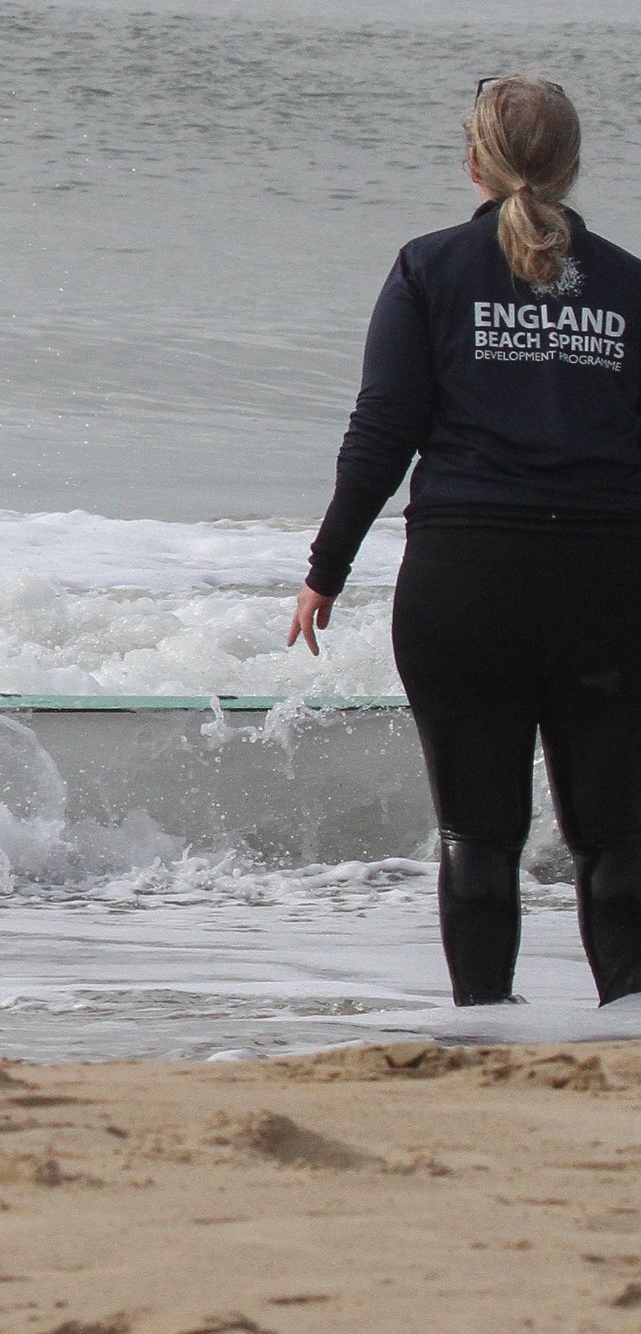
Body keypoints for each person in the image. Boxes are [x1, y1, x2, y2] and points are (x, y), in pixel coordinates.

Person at [287, 76, 641, 1007]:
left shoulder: (429, 269)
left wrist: (326, 569)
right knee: (616, 834)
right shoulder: (630, 286)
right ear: (570, 166)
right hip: (607, 589)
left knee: (479, 836)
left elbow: (381, 432)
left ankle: (485, 1031)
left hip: (465, 586)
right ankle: (629, 1040)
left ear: (474, 161)